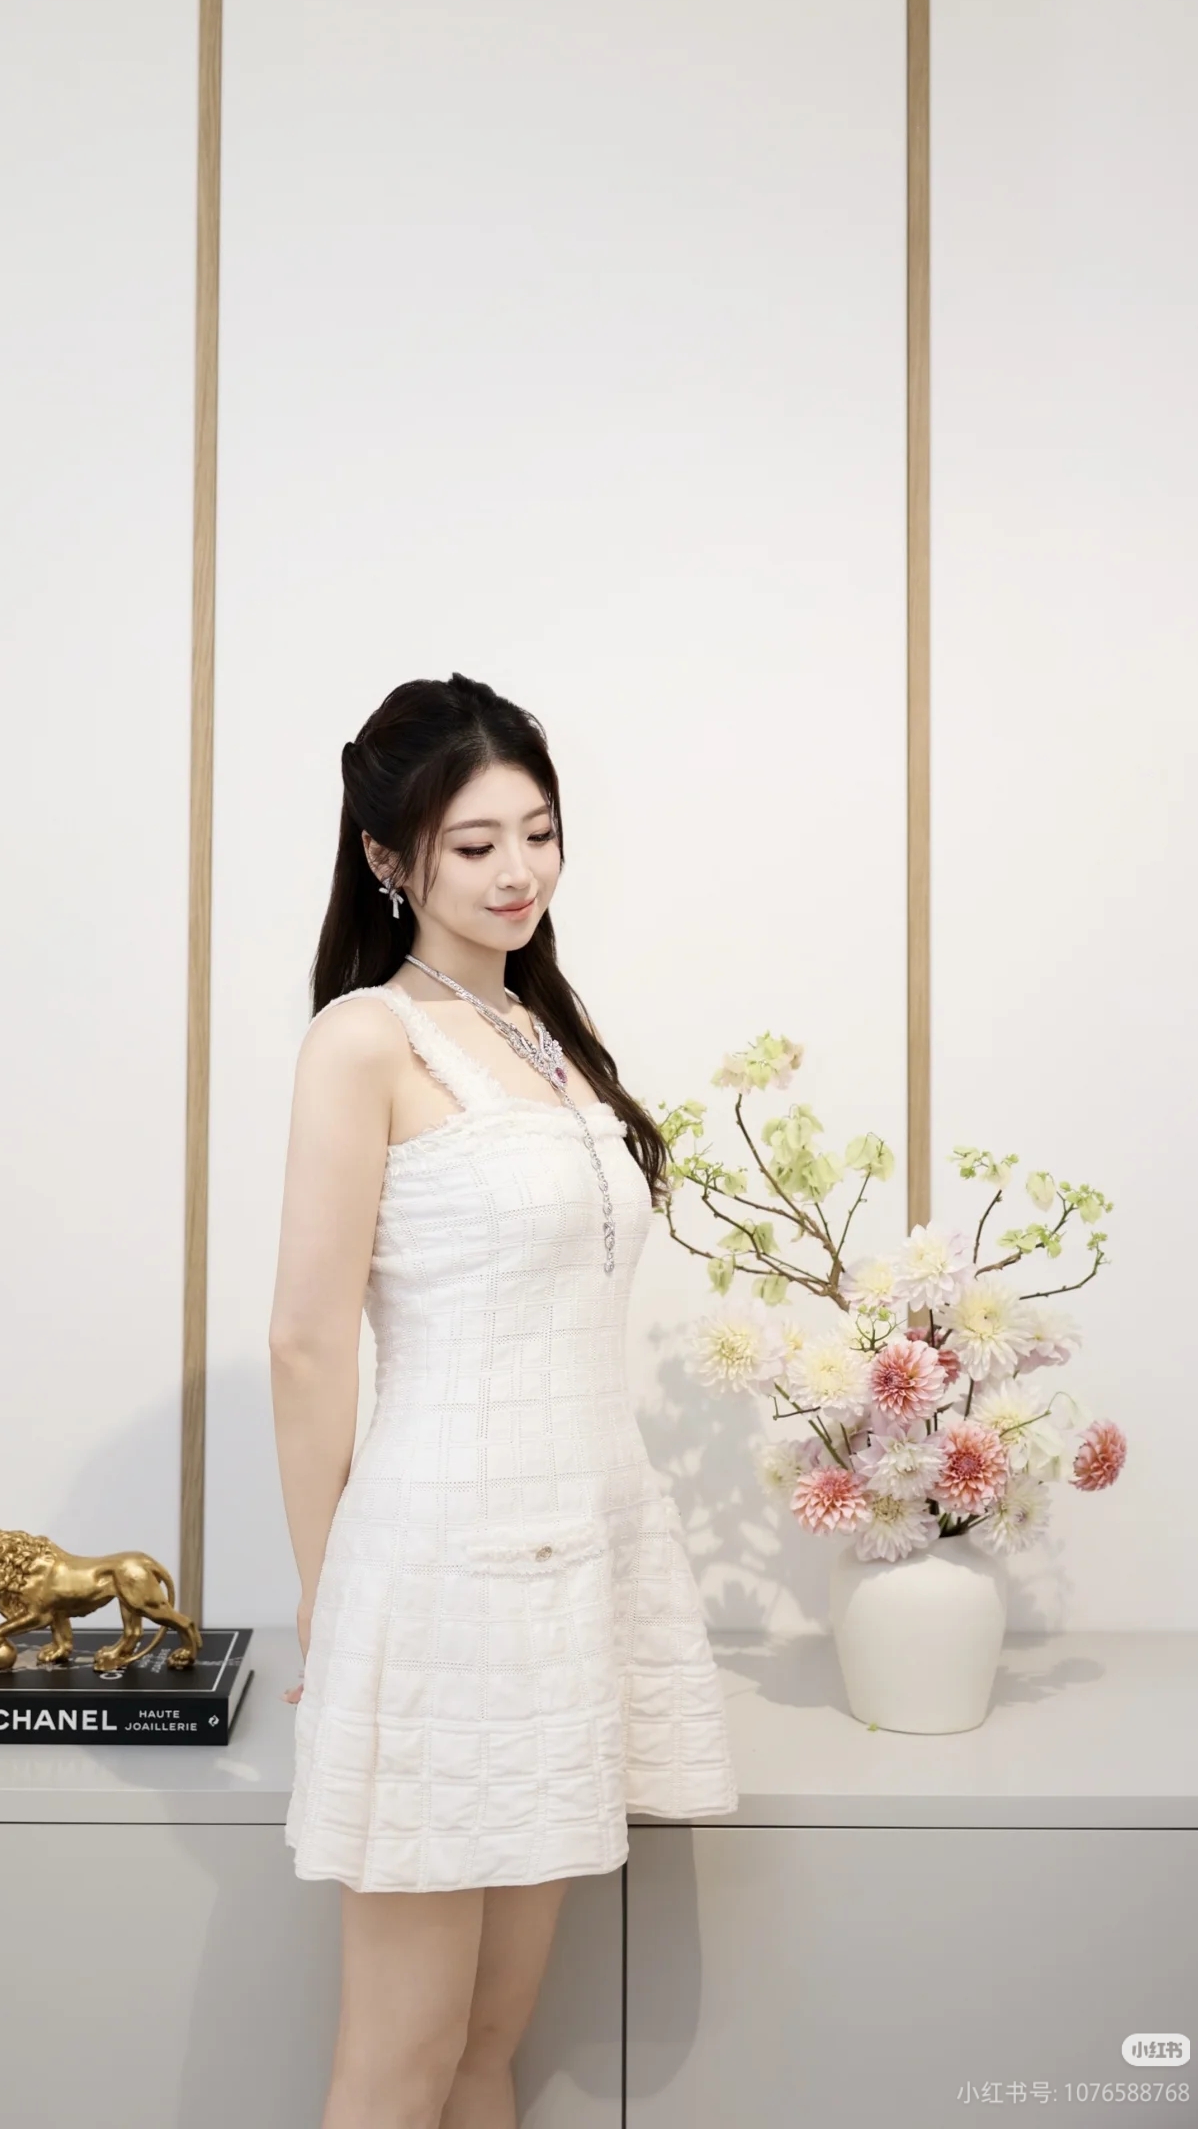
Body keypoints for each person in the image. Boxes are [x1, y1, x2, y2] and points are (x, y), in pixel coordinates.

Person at [269, 673, 737, 2129]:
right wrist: (327, 1594)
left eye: (538, 832)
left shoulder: (542, 1033)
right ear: (387, 856)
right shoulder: (367, 1038)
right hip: (438, 1582)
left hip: (574, 1565)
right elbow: (306, 1343)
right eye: (474, 844)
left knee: (489, 2050)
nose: (518, 870)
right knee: (397, 2065)